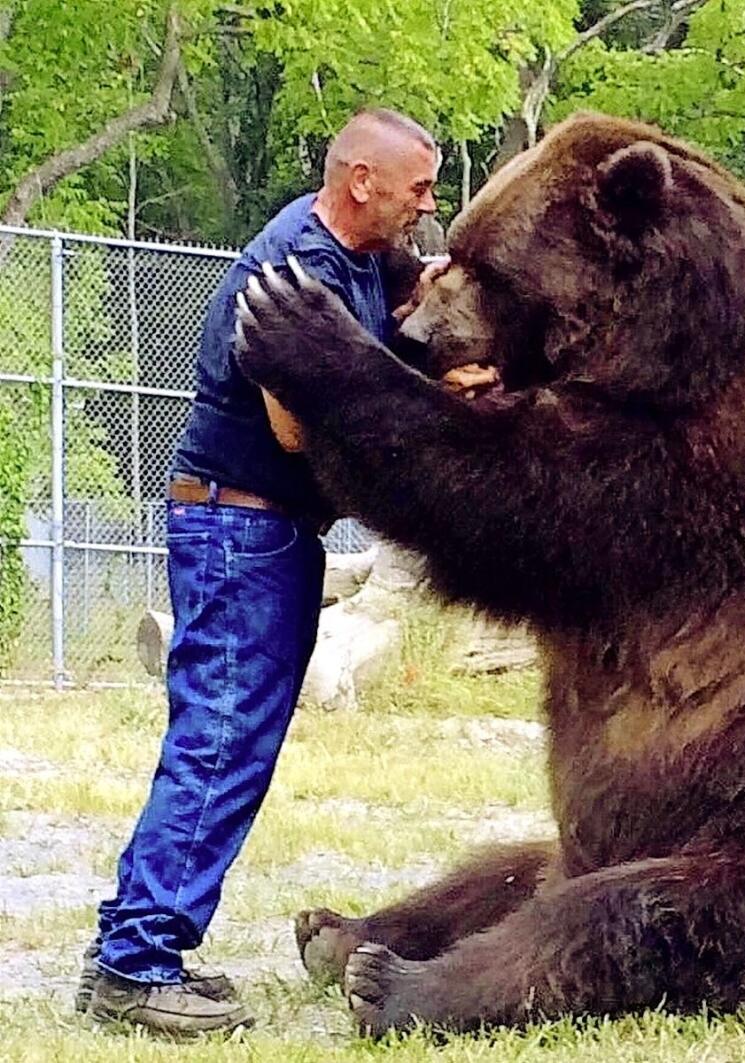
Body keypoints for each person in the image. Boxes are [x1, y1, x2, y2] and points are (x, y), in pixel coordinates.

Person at [79, 108, 442, 1036]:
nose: (426, 206)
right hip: (239, 529)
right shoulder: (289, 274)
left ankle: (134, 946)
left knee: (228, 743)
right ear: (362, 179)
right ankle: (134, 969)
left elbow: (396, 318)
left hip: (272, 534)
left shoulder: (357, 259)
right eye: (418, 188)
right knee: (219, 741)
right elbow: (296, 429)